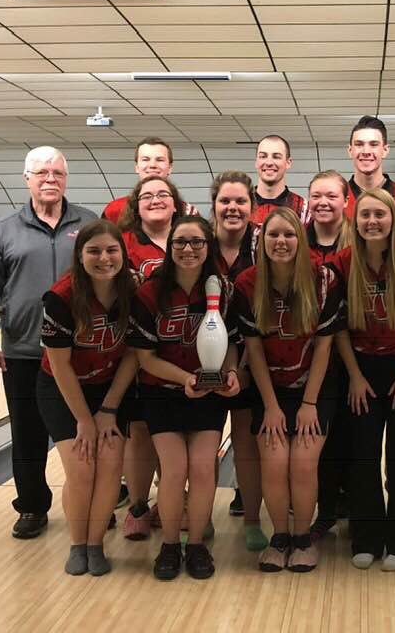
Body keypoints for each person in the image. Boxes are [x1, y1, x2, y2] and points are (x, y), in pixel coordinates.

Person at [0, 145, 97, 539]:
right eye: (42, 173)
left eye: (57, 173)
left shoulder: (88, 223)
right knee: (27, 435)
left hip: (82, 352)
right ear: (27, 178)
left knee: (86, 430)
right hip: (24, 351)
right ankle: (31, 508)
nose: (50, 180)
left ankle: (95, 503)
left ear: (66, 179)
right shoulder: (5, 229)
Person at [127, 216, 242, 580]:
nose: (188, 249)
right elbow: (145, 358)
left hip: (209, 394)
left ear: (208, 247)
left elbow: (233, 344)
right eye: (180, 242)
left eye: (196, 242)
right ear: (170, 247)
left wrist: (232, 373)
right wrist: (185, 378)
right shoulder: (149, 292)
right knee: (175, 471)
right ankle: (170, 545)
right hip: (162, 393)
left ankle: (196, 545)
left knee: (204, 468)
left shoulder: (223, 290)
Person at [232, 208, 345, 573]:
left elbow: (325, 348)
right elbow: (254, 350)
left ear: (301, 239)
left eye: (288, 235)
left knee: (302, 464)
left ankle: (301, 538)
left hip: (316, 386)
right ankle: (279, 536)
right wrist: (270, 406)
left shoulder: (324, 279)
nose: (280, 242)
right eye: (273, 236)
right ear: (262, 243)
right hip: (271, 389)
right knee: (275, 461)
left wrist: (310, 403)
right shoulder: (248, 285)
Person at [333, 190, 395, 571]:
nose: (372, 221)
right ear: (355, 222)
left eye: (380, 214)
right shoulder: (344, 262)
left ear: (393, 218)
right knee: (362, 455)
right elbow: (338, 326)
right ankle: (366, 536)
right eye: (365, 215)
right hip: (360, 369)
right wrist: (355, 377)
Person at [36, 219, 137, 575]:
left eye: (112, 250)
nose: (104, 258)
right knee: (81, 468)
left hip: (110, 388)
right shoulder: (61, 298)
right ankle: (78, 544)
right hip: (63, 390)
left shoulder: (132, 289)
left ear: (122, 255)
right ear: (80, 256)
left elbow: (132, 355)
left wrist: (108, 409)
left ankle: (96, 545)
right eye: (94, 251)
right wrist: (84, 420)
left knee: (110, 465)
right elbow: (60, 366)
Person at [115, 175, 186, 540]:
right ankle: (139, 505)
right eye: (147, 196)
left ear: (176, 203)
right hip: (132, 352)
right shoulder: (124, 242)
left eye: (163, 194)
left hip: (181, 352)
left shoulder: (190, 236)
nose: (155, 200)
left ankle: (172, 500)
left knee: (174, 432)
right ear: (136, 204)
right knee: (140, 431)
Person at [211, 171, 267, 552]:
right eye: (225, 201)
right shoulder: (198, 245)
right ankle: (196, 515)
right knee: (207, 445)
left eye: (240, 202)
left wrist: (244, 368)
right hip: (205, 362)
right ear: (214, 205)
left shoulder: (264, 245)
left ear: (252, 205)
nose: (232, 208)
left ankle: (250, 519)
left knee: (247, 446)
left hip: (250, 360)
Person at [305, 170, 354, 539]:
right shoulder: (295, 239)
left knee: (345, 438)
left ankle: (349, 504)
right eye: (316, 195)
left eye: (331, 196)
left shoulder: (358, 238)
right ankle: (322, 509)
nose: (323, 202)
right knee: (317, 439)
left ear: (345, 200)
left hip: (352, 352)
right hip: (309, 354)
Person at [102, 137, 198, 225]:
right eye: (145, 159)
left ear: (170, 167)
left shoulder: (188, 212)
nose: (152, 165)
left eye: (160, 160)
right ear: (136, 167)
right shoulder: (114, 210)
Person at [343, 115, 395, 218]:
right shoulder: (336, 197)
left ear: (385, 150)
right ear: (350, 150)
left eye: (373, 144)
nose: (366, 151)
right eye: (359, 144)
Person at [251, 135, 309, 226]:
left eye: (276, 157)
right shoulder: (241, 205)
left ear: (288, 163)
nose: (269, 162)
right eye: (263, 156)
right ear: (256, 162)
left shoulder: (303, 209)